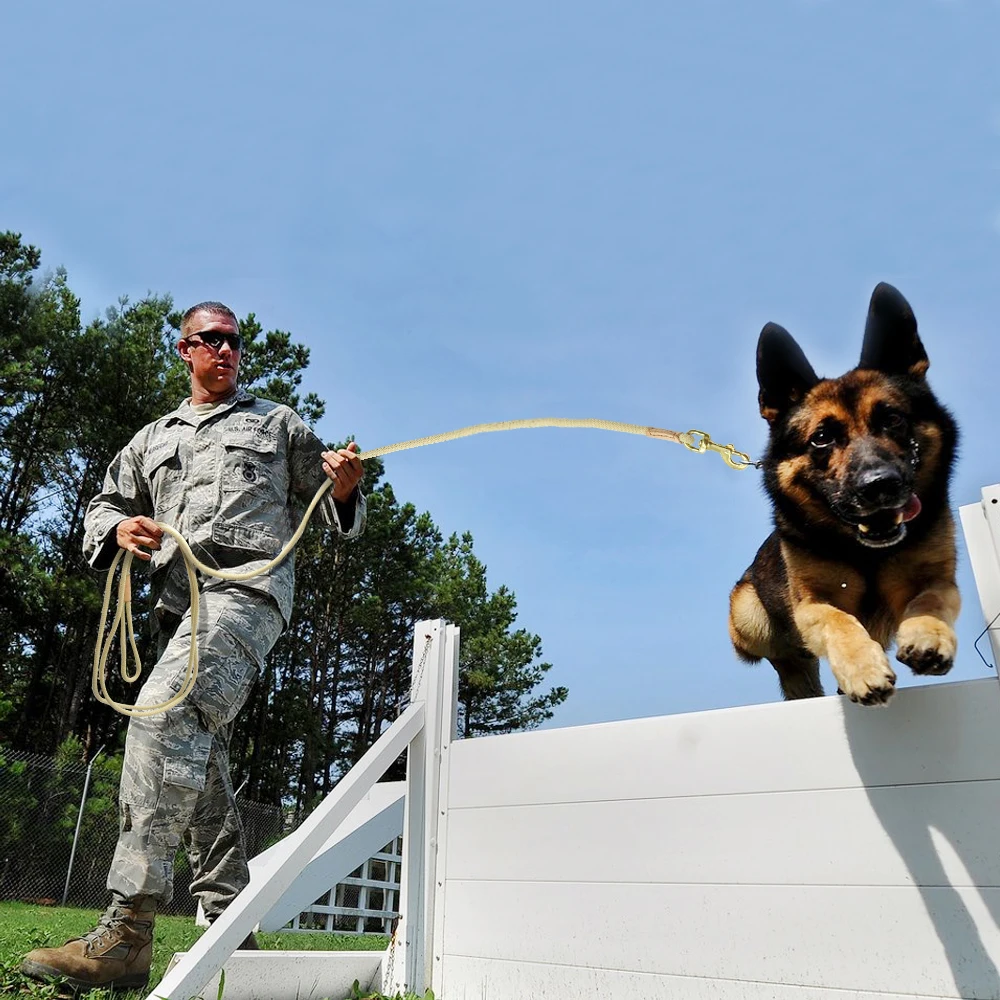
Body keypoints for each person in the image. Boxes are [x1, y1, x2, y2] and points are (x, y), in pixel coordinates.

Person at [21, 302, 366, 993]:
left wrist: (347, 488)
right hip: (179, 607)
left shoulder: (276, 423)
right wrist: (119, 531)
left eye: (236, 341)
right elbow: (104, 505)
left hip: (249, 591)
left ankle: (127, 930)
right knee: (196, 754)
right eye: (212, 339)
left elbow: (333, 502)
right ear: (184, 349)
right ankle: (232, 918)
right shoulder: (153, 439)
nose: (228, 349)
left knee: (161, 715)